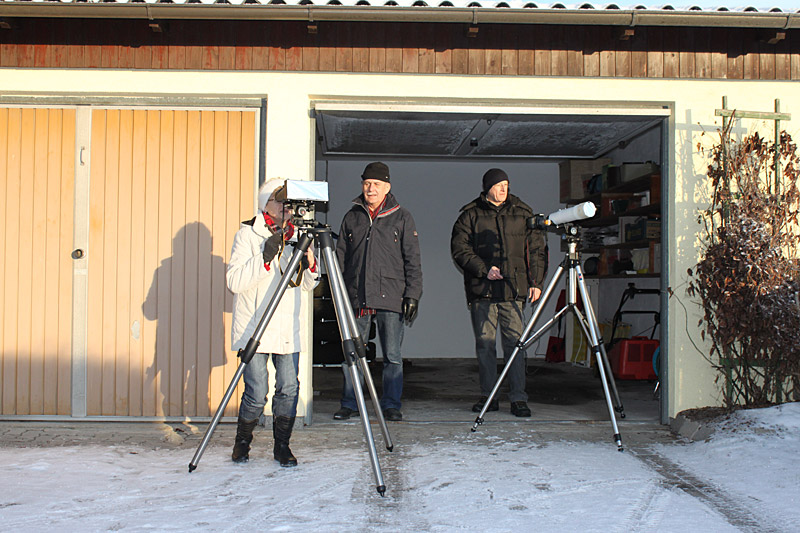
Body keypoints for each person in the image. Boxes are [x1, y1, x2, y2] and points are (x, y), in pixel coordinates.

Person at [227, 178, 320, 467]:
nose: (287, 209)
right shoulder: (247, 235)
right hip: (254, 325)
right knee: (256, 393)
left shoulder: (298, 235)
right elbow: (234, 282)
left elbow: (306, 285)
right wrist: (265, 257)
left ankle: (283, 446)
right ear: (265, 203)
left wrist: (311, 262)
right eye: (281, 202)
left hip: (286, 327)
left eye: (290, 203)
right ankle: (242, 442)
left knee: (289, 389)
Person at [450, 168, 547, 418]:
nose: (504, 189)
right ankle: (489, 396)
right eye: (499, 185)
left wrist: (535, 282)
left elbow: (536, 249)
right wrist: (483, 270)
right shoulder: (470, 215)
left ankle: (518, 398)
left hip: (513, 291)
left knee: (515, 344)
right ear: (487, 187)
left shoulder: (523, 212)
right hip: (482, 290)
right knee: (485, 345)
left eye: (506, 184)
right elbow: (460, 249)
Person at [333, 162, 423, 422]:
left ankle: (391, 405)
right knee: (352, 354)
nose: (370, 188)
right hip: (357, 295)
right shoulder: (352, 216)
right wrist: (338, 294)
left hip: (391, 296)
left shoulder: (402, 216)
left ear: (387, 187)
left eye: (376, 184)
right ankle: (350, 403)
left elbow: (413, 260)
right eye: (366, 183)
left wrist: (413, 294)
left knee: (392, 356)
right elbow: (340, 258)